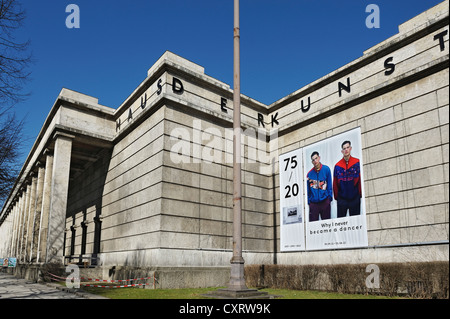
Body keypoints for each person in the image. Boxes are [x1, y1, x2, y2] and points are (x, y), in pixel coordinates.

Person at [333, 141, 362, 218]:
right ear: (342, 151)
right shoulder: (337, 166)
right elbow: (335, 183)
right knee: (341, 223)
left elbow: (360, 180)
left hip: (355, 198)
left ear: (351, 148)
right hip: (342, 199)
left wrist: (360, 194)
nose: (346, 150)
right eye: (344, 148)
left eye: (347, 147)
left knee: (356, 222)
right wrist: (337, 197)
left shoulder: (357, 162)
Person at [307, 151, 332, 222]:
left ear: (319, 158)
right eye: (313, 160)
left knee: (327, 225)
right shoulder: (309, 174)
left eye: (316, 158)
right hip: (314, 204)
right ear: (312, 162)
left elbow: (329, 185)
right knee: (313, 227)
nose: (315, 161)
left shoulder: (326, 169)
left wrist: (329, 199)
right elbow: (308, 190)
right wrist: (309, 201)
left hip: (325, 202)